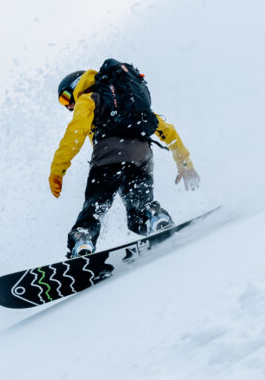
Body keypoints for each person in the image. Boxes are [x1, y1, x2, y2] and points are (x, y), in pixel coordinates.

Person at [50, 58, 200, 258]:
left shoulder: (89, 99)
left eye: (66, 98)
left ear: (77, 86)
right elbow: (167, 131)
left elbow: (75, 133)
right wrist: (184, 163)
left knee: (95, 206)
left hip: (108, 157)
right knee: (138, 213)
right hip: (141, 156)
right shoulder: (128, 102)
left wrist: (57, 170)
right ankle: (154, 216)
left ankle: (83, 241)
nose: (68, 106)